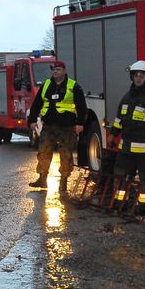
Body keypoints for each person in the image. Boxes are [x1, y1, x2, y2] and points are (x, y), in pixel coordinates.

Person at [109, 60, 145, 214]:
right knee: (121, 176)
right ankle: (119, 203)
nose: (138, 78)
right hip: (126, 148)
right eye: (135, 75)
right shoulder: (126, 98)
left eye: (141, 75)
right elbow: (119, 120)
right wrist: (113, 134)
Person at [26, 59, 87, 191]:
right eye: (53, 69)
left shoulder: (73, 86)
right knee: (43, 152)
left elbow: (82, 106)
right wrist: (31, 120)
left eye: (58, 69)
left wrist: (80, 123)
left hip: (67, 126)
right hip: (49, 125)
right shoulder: (46, 85)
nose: (55, 71)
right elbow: (37, 103)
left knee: (66, 154)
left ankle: (63, 182)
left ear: (64, 71)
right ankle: (42, 179)